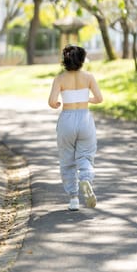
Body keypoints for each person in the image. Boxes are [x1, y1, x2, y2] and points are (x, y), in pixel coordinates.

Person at [48, 44, 103, 211]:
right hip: (85, 119)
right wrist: (87, 100)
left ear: (65, 60)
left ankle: (73, 198)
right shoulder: (88, 77)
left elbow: (52, 102)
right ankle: (85, 178)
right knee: (85, 155)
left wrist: (57, 103)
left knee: (67, 160)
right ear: (82, 60)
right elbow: (99, 98)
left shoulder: (59, 79)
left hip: (67, 120)